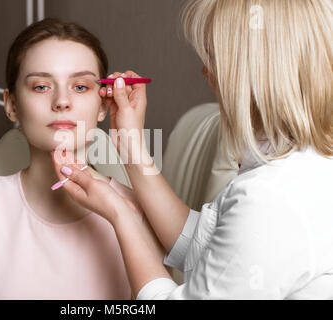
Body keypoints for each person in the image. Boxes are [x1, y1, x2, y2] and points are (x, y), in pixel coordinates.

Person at [53, 0, 333, 299]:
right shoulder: (302, 168)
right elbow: (203, 246)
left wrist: (121, 215)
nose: (204, 72)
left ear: (249, 74)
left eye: (212, 58)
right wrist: (131, 145)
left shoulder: (272, 199)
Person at [0, 18, 166, 299]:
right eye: (41, 86)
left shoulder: (142, 214)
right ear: (12, 105)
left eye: (80, 87)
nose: (62, 101)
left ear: (103, 105)